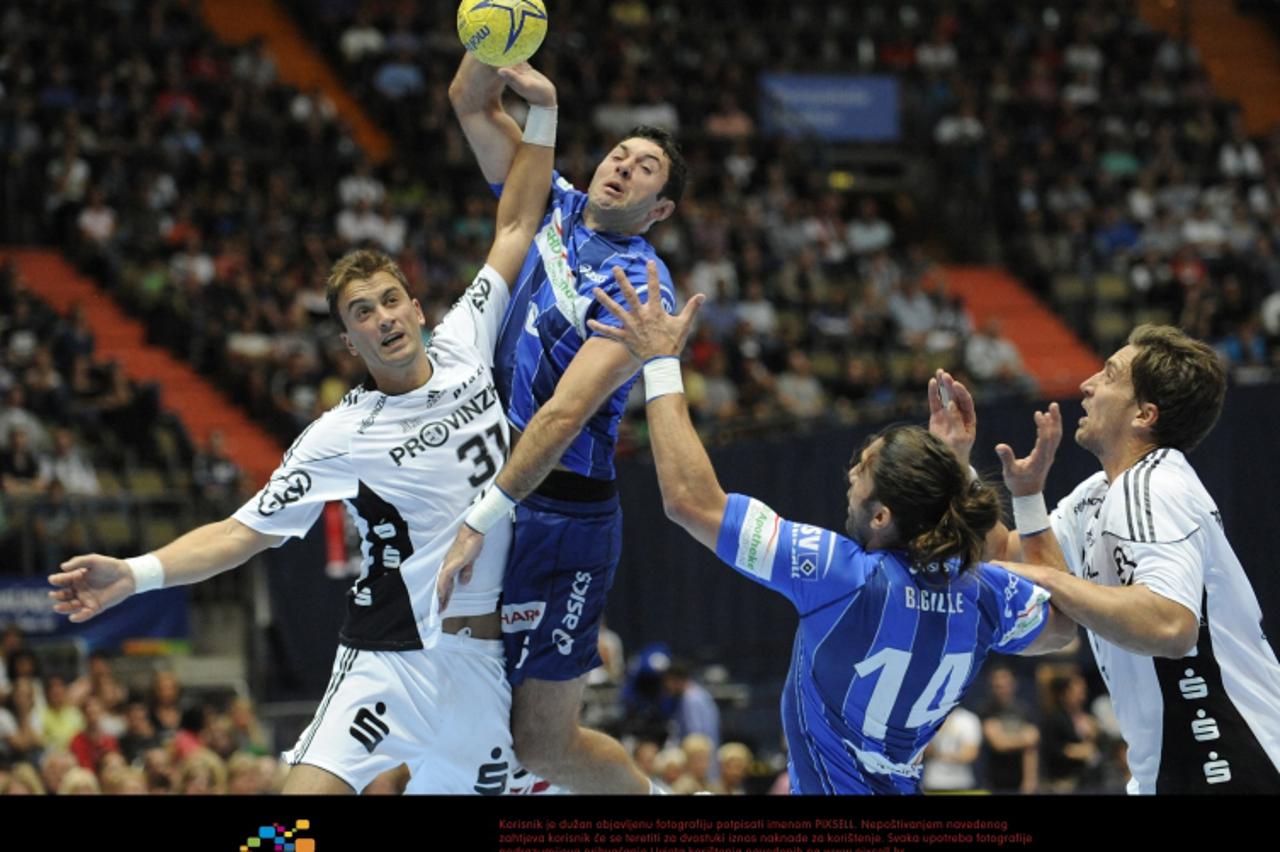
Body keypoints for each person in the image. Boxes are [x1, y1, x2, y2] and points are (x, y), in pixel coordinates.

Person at [46, 63, 561, 795]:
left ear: (416, 308)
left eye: (390, 301)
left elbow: (516, 222)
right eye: (362, 313)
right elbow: (241, 532)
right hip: (393, 659)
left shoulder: (466, 338)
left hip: (485, 669)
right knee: (293, 827)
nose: (382, 318)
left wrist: (541, 113)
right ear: (349, 343)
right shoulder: (341, 433)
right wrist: (134, 574)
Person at [587, 265, 1075, 794]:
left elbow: (690, 501)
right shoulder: (984, 593)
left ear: (883, 516)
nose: (849, 476)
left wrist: (660, 361)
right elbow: (1065, 623)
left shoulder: (843, 575)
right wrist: (971, 473)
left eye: (861, 471)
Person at [440, 54, 687, 794]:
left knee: (543, 744)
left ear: (660, 208)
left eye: (646, 168)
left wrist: (483, 515)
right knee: (456, 700)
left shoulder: (640, 287)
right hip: (488, 485)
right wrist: (494, 38)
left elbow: (565, 413)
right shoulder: (552, 203)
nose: (625, 166)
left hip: (560, 516)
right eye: (620, 153)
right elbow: (470, 102)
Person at [982, 324, 1280, 793]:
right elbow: (1001, 554)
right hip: (1168, 772)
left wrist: (1042, 574)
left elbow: (1169, 626)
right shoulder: (1098, 495)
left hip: (1228, 762)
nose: (1087, 384)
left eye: (1109, 374)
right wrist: (967, 465)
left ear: (1144, 414)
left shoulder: (1151, 484)